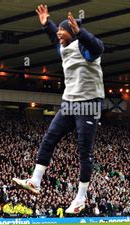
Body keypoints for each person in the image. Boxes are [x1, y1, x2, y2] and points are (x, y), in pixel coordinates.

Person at [13, 4, 105, 214]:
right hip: (70, 103)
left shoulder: (86, 48)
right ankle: (35, 181)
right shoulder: (63, 47)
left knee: (84, 150)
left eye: (61, 32)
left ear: (72, 33)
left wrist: (82, 33)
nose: (58, 36)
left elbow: (99, 47)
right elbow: (55, 38)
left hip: (88, 104)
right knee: (49, 138)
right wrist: (47, 24)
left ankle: (80, 198)